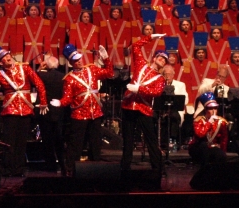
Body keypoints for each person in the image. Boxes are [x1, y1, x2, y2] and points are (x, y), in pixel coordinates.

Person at [0, 46, 48, 177]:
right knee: (9, 142)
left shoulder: (25, 68)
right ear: (0, 62)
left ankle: (19, 168)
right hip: (10, 111)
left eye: (8, 55)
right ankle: (8, 168)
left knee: (21, 141)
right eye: (4, 58)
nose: (8, 58)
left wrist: (43, 102)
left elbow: (39, 84)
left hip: (25, 110)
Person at [50, 44, 113, 177]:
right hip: (79, 114)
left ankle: (96, 169)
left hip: (95, 112)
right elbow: (67, 98)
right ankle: (71, 169)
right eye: (75, 60)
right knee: (76, 144)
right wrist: (60, 102)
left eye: (79, 58)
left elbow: (109, 73)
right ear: (71, 62)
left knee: (95, 142)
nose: (79, 61)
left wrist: (106, 59)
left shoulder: (92, 70)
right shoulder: (69, 79)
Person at [121, 38, 166, 173]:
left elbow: (156, 92)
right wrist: (151, 37)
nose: (162, 60)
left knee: (151, 139)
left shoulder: (160, 79)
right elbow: (135, 45)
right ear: (154, 58)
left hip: (143, 109)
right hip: (128, 106)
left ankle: (157, 168)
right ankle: (124, 168)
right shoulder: (141, 64)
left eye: (165, 60)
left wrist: (139, 89)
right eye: (161, 57)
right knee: (128, 141)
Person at [36, 55, 65, 173]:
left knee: (47, 139)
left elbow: (33, 78)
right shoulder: (63, 77)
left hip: (45, 111)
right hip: (59, 111)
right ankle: (62, 163)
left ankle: (51, 165)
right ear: (57, 65)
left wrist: (39, 68)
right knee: (59, 138)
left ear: (46, 65)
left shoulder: (41, 75)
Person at [188, 91, 228, 166]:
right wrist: (209, 122)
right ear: (206, 110)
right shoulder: (199, 120)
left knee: (221, 155)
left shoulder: (221, 122)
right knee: (203, 146)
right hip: (198, 147)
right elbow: (200, 134)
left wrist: (222, 151)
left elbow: (224, 139)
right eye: (210, 108)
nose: (213, 111)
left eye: (215, 108)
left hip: (212, 147)